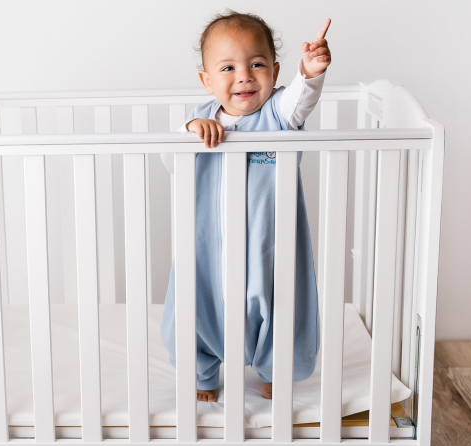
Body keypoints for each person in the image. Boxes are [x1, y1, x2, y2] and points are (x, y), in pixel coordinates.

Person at [159, 10, 332, 402]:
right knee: (197, 309)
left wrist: (311, 72)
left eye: (257, 64)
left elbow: (301, 98)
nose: (244, 76)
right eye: (227, 68)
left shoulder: (279, 115)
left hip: (269, 247)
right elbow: (171, 163)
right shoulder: (200, 119)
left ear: (274, 69)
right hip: (208, 252)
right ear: (206, 80)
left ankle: (276, 370)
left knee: (279, 306)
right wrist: (189, 134)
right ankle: (203, 374)